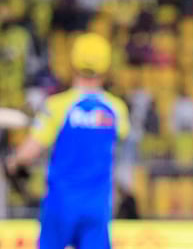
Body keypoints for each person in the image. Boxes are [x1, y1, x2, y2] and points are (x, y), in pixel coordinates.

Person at [6, 33, 130, 249]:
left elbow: (29, 152)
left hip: (61, 203)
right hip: (97, 205)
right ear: (107, 65)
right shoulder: (116, 109)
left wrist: (13, 162)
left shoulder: (57, 106)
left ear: (73, 62)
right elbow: (122, 142)